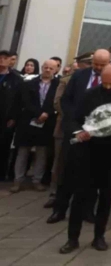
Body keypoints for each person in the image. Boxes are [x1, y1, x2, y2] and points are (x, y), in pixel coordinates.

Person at [59, 65, 111, 254]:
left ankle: (99, 236)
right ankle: (72, 238)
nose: (107, 86)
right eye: (104, 82)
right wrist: (80, 131)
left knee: (106, 195)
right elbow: (73, 118)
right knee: (80, 195)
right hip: (87, 151)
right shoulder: (89, 94)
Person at [49, 50, 110, 224]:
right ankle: (59, 209)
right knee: (67, 171)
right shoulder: (79, 76)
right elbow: (66, 101)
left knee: (92, 175)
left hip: (96, 135)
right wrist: (75, 126)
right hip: (75, 131)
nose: (98, 68)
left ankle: (88, 210)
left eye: (102, 65)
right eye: (96, 64)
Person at [10, 59, 58, 192]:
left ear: (55, 70)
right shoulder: (29, 83)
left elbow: (57, 102)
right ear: (42, 68)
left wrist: (47, 114)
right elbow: (25, 101)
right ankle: (17, 180)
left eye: (51, 68)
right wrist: (38, 114)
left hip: (46, 123)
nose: (48, 70)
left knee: (41, 153)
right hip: (28, 121)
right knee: (23, 152)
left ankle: (37, 180)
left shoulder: (58, 85)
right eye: (46, 67)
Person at [0, 50, 24, 181]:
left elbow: (19, 100)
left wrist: (14, 117)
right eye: (0, 58)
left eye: (5, 58)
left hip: (6, 118)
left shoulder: (16, 79)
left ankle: (1, 174)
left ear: (11, 61)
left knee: (3, 146)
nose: (2, 60)